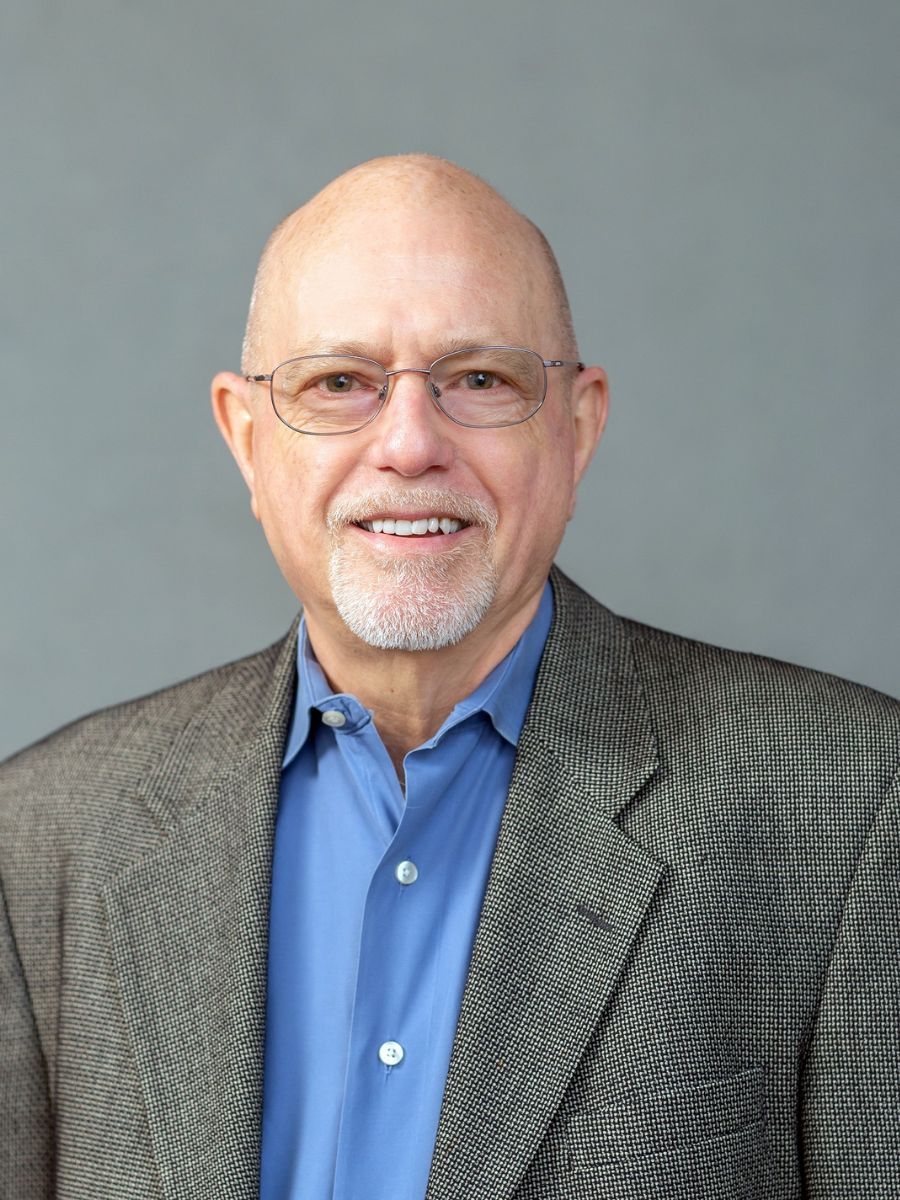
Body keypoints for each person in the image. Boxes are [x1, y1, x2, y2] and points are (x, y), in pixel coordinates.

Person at [1, 155, 898, 1200]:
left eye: (479, 379)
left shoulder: (853, 806)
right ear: (247, 438)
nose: (410, 444)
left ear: (577, 429)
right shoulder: (42, 835)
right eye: (339, 383)